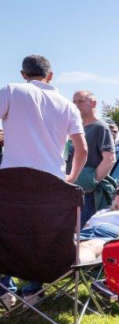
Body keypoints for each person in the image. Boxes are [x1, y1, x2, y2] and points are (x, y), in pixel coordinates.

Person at [0, 55, 87, 302]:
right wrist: (71, 178)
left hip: (11, 180)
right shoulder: (67, 106)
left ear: (23, 74)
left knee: (7, 230)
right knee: (41, 235)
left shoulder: (11, 91)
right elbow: (82, 150)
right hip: (52, 183)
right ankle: (33, 289)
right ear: (50, 75)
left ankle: (5, 288)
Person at [70, 91, 115, 223]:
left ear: (93, 103)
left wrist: (91, 181)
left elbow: (109, 159)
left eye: (80, 101)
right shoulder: (76, 129)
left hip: (89, 196)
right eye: (74, 102)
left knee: (84, 232)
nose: (76, 105)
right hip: (73, 192)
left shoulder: (100, 128)